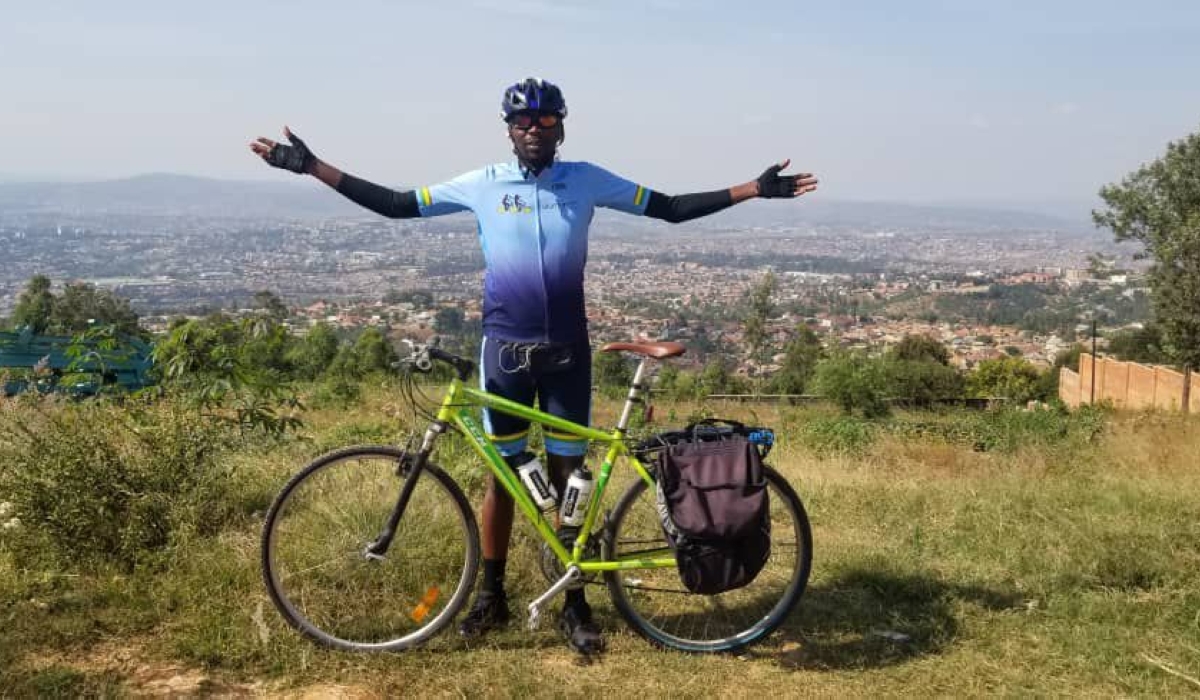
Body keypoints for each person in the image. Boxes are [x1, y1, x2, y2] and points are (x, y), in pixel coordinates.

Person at [251, 77, 818, 655]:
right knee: (505, 479)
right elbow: (397, 205)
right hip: (505, 352)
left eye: (545, 121)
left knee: (570, 480)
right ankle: (490, 596)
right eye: (522, 121)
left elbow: (669, 209)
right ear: (508, 129)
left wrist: (754, 188)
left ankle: (575, 601)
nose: (533, 130)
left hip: (567, 354)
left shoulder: (586, 179)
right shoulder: (483, 184)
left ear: (560, 127)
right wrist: (312, 167)